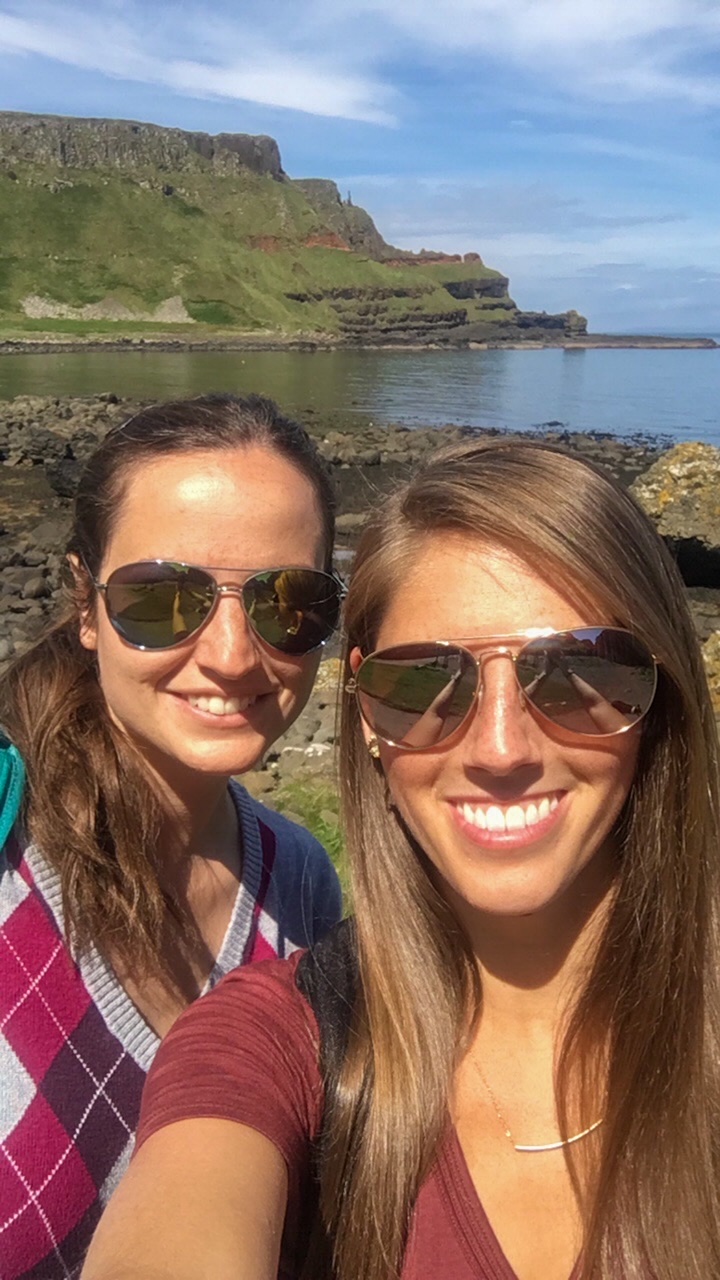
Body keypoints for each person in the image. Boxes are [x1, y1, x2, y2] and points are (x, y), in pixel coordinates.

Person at [82, 438, 720, 1280]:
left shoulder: (291, 870)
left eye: (579, 672)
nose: (500, 749)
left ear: (661, 695)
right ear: (369, 718)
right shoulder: (275, 1038)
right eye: (424, 681)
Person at [0, 393, 344, 1278]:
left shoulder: (300, 885)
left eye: (288, 602)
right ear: (85, 605)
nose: (232, 654)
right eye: (162, 599)